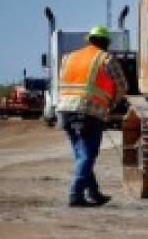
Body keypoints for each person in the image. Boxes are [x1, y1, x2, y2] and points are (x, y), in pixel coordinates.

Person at [56, 25, 128, 207]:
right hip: (89, 111)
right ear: (105, 43)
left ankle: (93, 193)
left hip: (65, 110)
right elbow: (122, 86)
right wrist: (111, 105)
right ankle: (75, 194)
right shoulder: (106, 58)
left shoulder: (68, 57)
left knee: (82, 154)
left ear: (89, 39)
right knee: (87, 155)